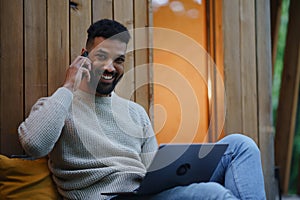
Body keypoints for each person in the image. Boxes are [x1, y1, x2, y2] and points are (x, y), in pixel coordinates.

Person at [18, 19, 266, 200]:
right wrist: (68, 86)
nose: (110, 67)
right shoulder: (57, 105)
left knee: (241, 146)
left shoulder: (135, 113)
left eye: (118, 60)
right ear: (84, 56)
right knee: (212, 195)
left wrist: (180, 172)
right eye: (101, 56)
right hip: (108, 199)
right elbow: (35, 145)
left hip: (146, 192)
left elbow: (152, 169)